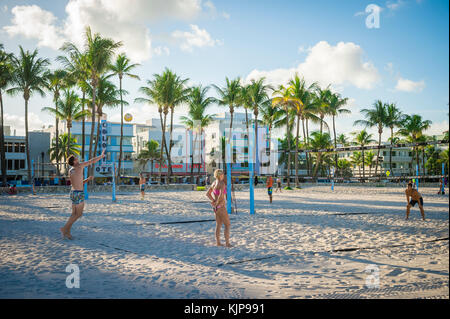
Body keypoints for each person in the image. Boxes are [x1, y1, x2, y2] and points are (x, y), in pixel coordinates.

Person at [60, 149, 105, 239]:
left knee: (74, 214)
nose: (78, 159)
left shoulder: (71, 170)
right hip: (78, 193)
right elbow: (91, 161)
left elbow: (77, 183)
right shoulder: (79, 166)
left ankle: (67, 232)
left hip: (73, 192)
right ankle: (64, 228)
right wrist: (101, 156)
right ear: (74, 161)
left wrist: (87, 179)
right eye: (76, 158)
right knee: (78, 214)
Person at [206, 169, 232, 247]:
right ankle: (227, 243)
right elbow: (221, 195)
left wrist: (213, 201)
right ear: (220, 175)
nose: (223, 176)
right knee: (227, 225)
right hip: (220, 207)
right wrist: (217, 203)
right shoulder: (222, 184)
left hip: (216, 208)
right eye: (223, 174)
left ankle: (218, 242)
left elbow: (207, 194)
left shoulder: (214, 183)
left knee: (218, 225)